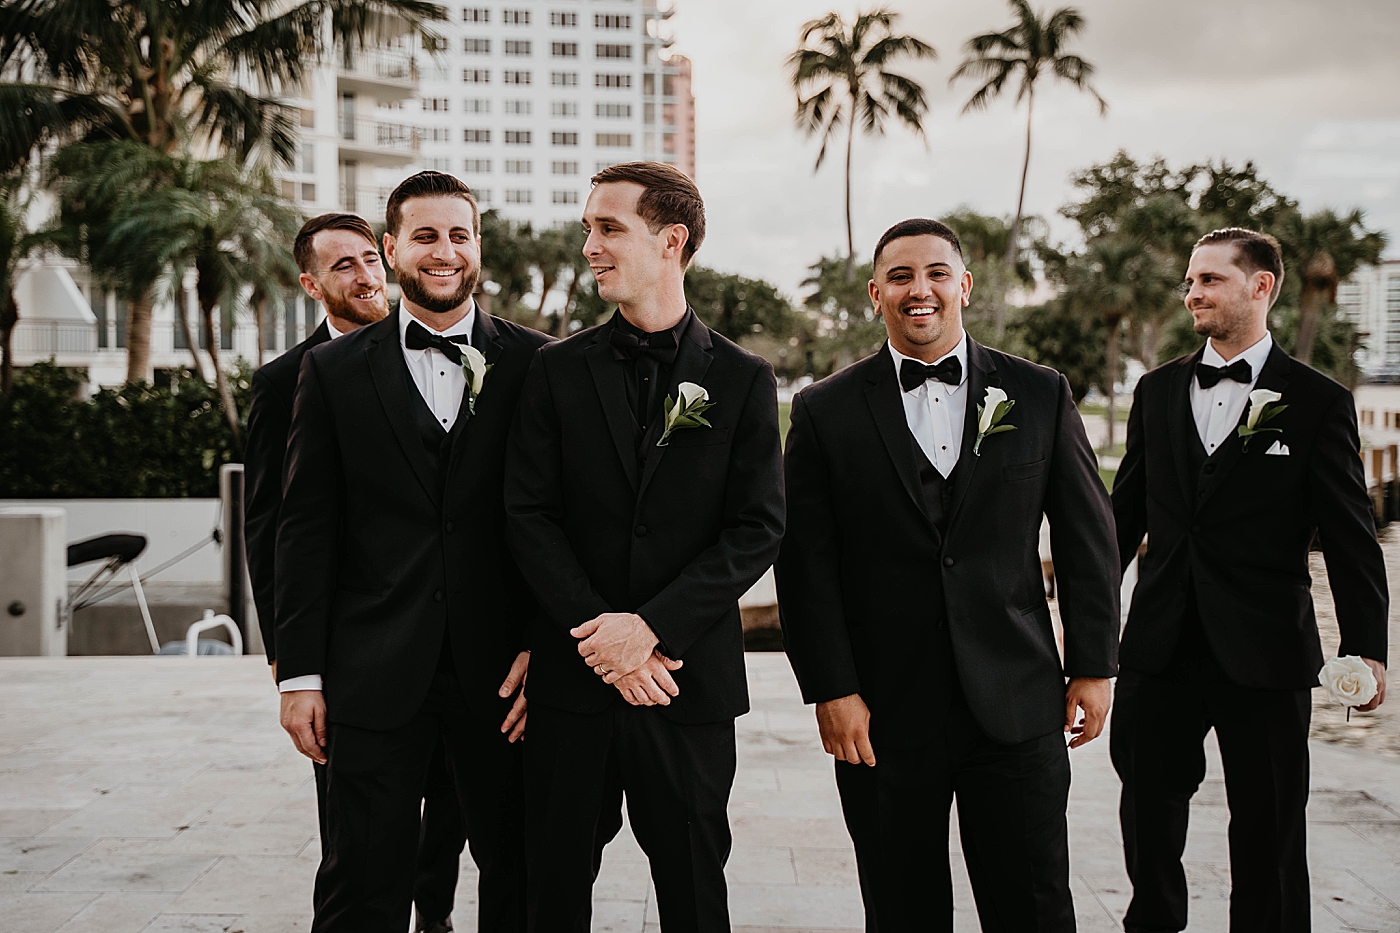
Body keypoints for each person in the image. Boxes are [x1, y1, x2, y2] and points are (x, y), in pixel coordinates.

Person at [777, 218, 1121, 932]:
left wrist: (1093, 663)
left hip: (1018, 702)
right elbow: (806, 564)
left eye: (936, 272)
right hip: (881, 710)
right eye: (900, 276)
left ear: (964, 285)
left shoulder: (1040, 393)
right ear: (876, 294)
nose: (919, 289)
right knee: (901, 909)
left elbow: (1089, 540)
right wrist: (832, 688)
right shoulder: (823, 410)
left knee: (1033, 905)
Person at [505, 161, 785, 933]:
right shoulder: (554, 369)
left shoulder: (744, 377)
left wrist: (651, 629)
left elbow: (757, 526)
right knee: (550, 889)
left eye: (608, 228)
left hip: (684, 683)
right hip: (573, 682)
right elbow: (527, 513)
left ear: (671, 240)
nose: (589, 246)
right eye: (587, 229)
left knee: (695, 889)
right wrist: (605, 637)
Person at [274, 172, 550, 932]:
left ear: (478, 248)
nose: (444, 251)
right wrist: (298, 672)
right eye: (425, 235)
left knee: (521, 879)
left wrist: (545, 645)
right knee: (361, 882)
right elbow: (304, 528)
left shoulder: (538, 363)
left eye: (459, 234)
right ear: (392, 248)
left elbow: (560, 523)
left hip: (503, 681)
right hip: (371, 672)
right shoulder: (330, 371)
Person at [1111, 227, 1389, 933]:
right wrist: (1083, 631)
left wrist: (1369, 648)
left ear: (1261, 286)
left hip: (1265, 651)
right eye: (1189, 281)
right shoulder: (1157, 389)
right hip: (1159, 646)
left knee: (1269, 829)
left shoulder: (1318, 400)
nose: (1192, 293)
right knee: (1147, 818)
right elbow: (1119, 521)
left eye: (1209, 280)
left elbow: (1352, 536)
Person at [242, 212, 468, 933]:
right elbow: (278, 527)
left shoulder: (473, 349)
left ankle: (431, 913)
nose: (365, 274)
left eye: (369, 258)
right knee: (359, 836)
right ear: (310, 284)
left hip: (461, 653)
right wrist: (293, 663)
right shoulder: (289, 380)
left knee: (452, 812)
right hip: (354, 652)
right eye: (343, 266)